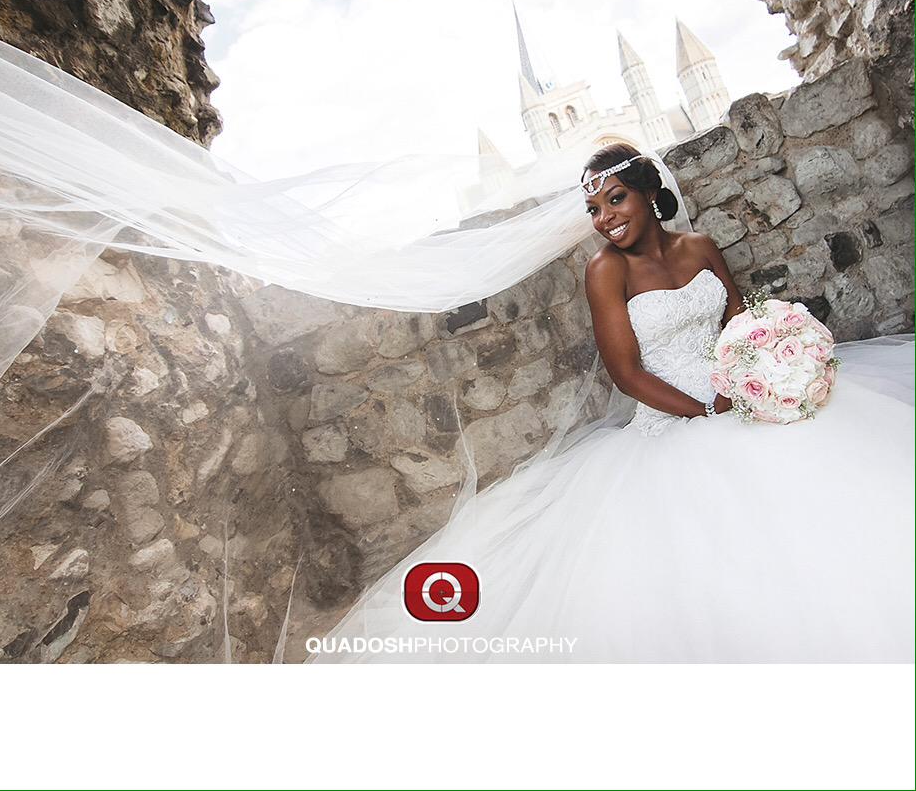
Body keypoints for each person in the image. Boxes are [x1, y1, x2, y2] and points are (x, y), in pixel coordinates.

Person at [310, 145, 914, 663]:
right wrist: (706, 413)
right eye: (594, 209)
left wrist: (767, 364)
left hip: (744, 391)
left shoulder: (700, 247)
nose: (604, 218)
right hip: (675, 415)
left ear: (650, 192)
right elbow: (626, 374)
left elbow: (739, 317)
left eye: (615, 200)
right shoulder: (606, 272)